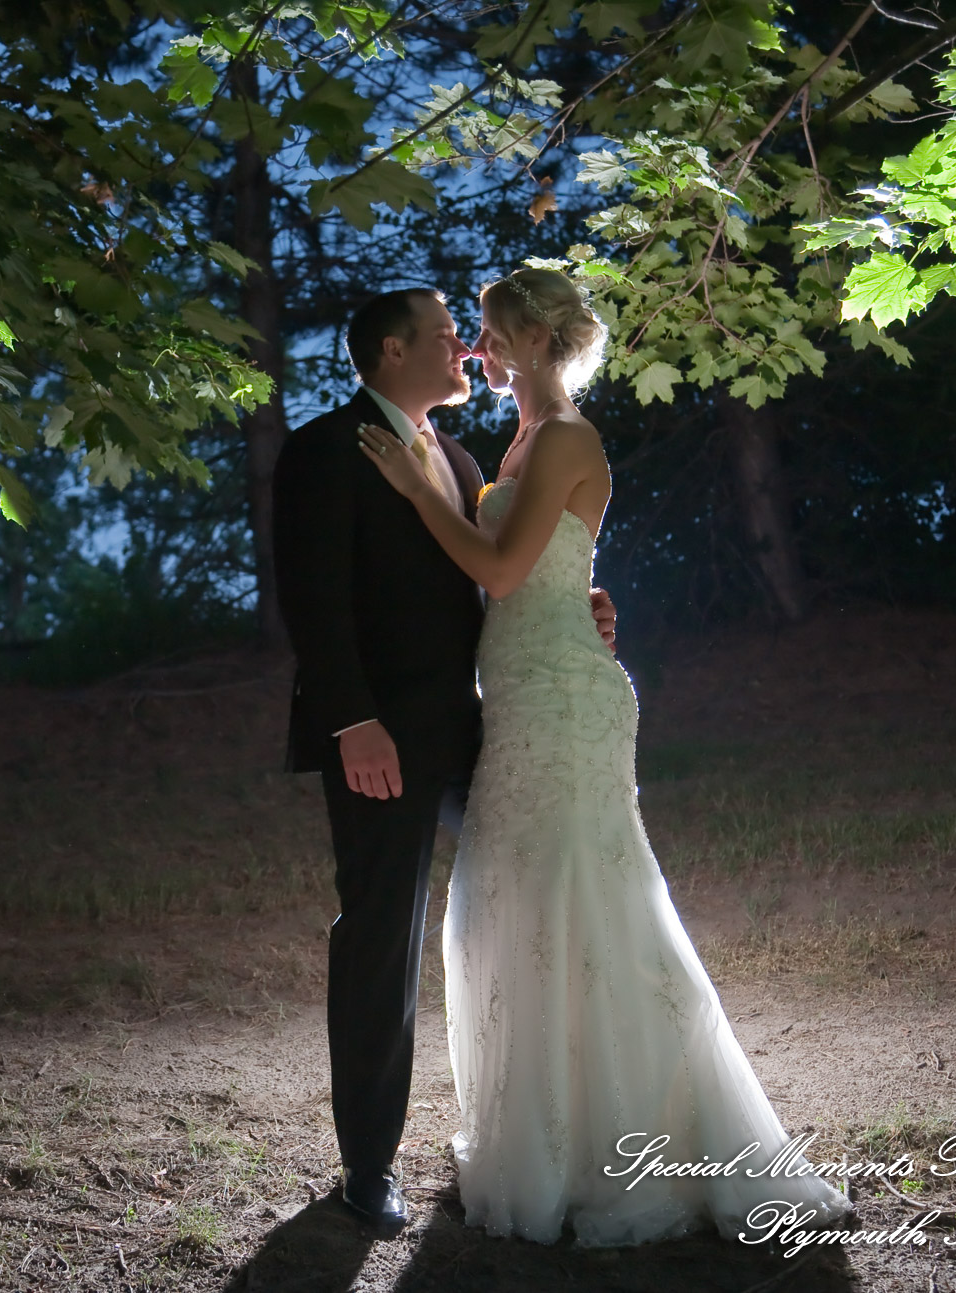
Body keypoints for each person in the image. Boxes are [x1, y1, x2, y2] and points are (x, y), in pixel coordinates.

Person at [357, 268, 854, 1245]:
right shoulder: (527, 442)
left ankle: (637, 1154)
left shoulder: (572, 436)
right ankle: (550, 1141)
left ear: (537, 339)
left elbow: (500, 569)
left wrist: (421, 491)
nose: (478, 354)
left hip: (567, 707)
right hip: (525, 701)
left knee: (588, 913)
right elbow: (547, 571)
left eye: (492, 336)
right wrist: (590, 598)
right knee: (511, 913)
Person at [270, 287, 616, 1231]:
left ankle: (566, 1120)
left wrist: (574, 606)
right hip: (380, 737)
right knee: (382, 934)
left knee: (535, 902)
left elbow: (493, 577)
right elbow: (313, 599)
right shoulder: (324, 450)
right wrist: (352, 722)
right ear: (390, 351)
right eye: (441, 335)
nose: (464, 346)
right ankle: (369, 1165)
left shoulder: (461, 458)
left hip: (485, 734)